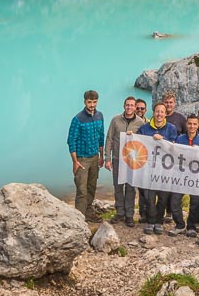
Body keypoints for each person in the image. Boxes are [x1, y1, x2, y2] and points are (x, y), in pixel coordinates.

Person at [136, 103, 179, 235]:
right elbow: (137, 143)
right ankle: (150, 220)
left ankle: (159, 221)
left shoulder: (171, 128)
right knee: (149, 197)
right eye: (157, 111)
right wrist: (130, 135)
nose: (159, 114)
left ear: (165, 114)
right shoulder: (144, 128)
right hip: (149, 169)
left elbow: (174, 147)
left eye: (162, 112)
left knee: (162, 197)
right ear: (153, 113)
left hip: (165, 169)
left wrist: (162, 139)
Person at [104, 96, 144, 227]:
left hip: (132, 161)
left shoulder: (140, 123)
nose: (130, 107)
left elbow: (144, 142)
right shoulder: (115, 120)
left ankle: (129, 215)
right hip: (117, 159)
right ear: (124, 106)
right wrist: (107, 159)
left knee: (131, 188)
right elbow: (109, 139)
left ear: (135, 107)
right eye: (127, 105)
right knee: (118, 186)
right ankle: (119, 212)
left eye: (132, 105)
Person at [67, 90, 105, 220]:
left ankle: (88, 213)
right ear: (85, 102)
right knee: (82, 190)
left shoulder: (100, 116)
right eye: (89, 102)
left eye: (94, 102)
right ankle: (79, 217)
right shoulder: (77, 119)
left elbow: (101, 136)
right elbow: (71, 140)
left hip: (94, 157)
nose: (92, 105)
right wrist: (75, 161)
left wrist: (101, 156)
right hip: (82, 159)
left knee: (91, 187)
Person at [175, 114, 199, 237]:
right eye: (190, 123)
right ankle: (180, 224)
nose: (192, 126)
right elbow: (174, 156)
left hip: (196, 177)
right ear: (186, 124)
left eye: (194, 124)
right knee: (175, 200)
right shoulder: (180, 139)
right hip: (181, 176)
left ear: (198, 125)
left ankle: (191, 226)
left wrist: (198, 152)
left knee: (195, 202)